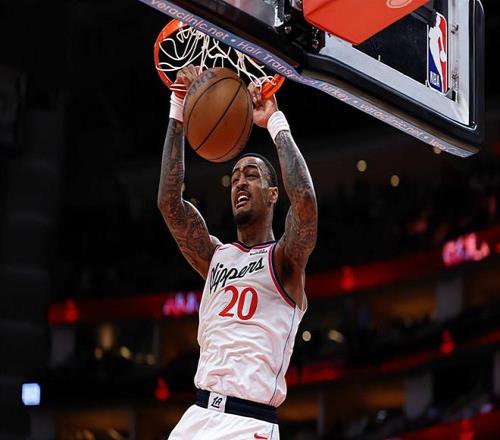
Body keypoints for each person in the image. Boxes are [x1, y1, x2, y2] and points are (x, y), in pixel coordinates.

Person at [158, 65, 317, 440]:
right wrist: (178, 106)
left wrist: (274, 121)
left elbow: (306, 203)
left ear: (273, 194)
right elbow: (169, 204)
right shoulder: (216, 255)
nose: (240, 183)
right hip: (199, 414)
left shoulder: (284, 260)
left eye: (251, 175)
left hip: (249, 422)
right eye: (235, 177)